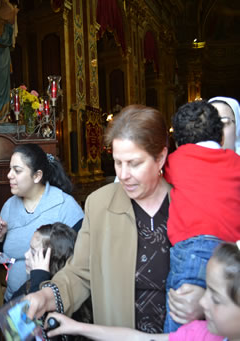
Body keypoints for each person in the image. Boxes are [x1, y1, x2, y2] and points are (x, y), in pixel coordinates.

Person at [25, 105, 201, 335]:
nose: (123, 174)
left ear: (160, 158)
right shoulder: (99, 205)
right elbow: (80, 273)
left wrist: (204, 297)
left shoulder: (191, 204)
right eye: (118, 162)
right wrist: (47, 296)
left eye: (134, 163)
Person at [44, 241, 240, 341]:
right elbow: (139, 338)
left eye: (215, 298)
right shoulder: (200, 334)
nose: (203, 302)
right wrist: (76, 327)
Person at [163, 100, 240, 332]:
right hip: (229, 254)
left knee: (181, 320)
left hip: (191, 252)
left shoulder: (176, 160)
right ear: (221, 137)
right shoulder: (236, 163)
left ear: (177, 141)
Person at [0, 223, 91, 332]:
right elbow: (3, 322)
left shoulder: (68, 292)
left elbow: (30, 326)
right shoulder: (30, 284)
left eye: (34, 252)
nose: (26, 255)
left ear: (51, 260)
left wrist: (39, 277)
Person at [0, 143, 84, 301]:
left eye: (17, 170)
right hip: (13, 300)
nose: (9, 175)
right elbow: (3, 259)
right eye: (10, 169)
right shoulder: (9, 206)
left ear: (37, 176)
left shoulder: (65, 207)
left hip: (50, 302)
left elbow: (79, 262)